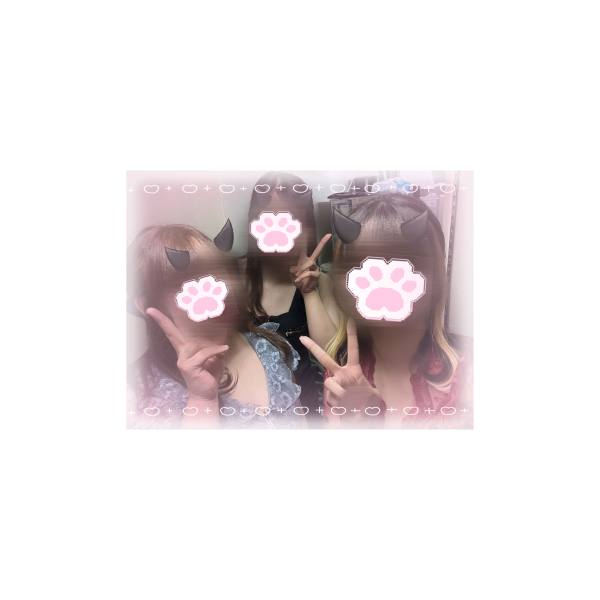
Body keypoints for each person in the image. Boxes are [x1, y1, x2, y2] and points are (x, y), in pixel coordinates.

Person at [299, 192, 473, 429]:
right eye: (368, 269)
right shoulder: (343, 380)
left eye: (400, 267)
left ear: (434, 280)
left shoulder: (471, 371)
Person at [126, 223, 304, 429]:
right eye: (188, 283)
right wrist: (201, 401)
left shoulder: (269, 347)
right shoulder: (136, 397)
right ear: (146, 305)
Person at [244, 172, 339, 427]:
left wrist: (310, 293)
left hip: (305, 414)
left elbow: (331, 354)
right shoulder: (233, 278)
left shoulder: (321, 282)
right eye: (268, 217)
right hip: (248, 417)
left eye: (288, 219)